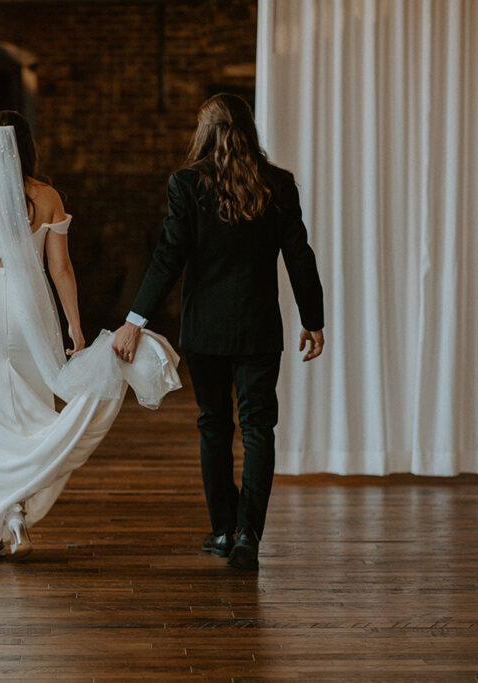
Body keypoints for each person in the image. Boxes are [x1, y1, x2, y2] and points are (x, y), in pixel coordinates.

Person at [0, 111, 180, 561]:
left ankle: (1, 516)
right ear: (26, 146)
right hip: (32, 310)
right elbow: (61, 269)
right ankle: (18, 511)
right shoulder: (47, 197)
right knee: (31, 409)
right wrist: (75, 325)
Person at [112, 93, 325, 571]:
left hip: (204, 330)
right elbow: (299, 255)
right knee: (258, 427)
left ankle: (224, 530)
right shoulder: (279, 184)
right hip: (258, 328)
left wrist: (134, 320)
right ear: (249, 129)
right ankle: (249, 533)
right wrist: (314, 318)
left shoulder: (186, 184)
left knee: (213, 425)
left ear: (204, 133)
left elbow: (169, 257)